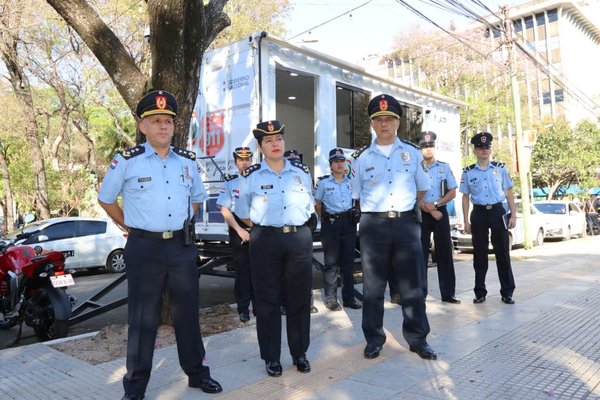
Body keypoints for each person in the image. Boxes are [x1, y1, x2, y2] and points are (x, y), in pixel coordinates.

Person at [98, 90, 222, 399]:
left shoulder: (187, 162)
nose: (163, 127)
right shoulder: (127, 161)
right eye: (156, 121)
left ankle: (197, 374)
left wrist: (175, 226)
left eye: (168, 121)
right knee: (143, 319)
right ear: (143, 127)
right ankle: (136, 388)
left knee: (188, 314)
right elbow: (106, 199)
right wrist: (133, 225)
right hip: (144, 248)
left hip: (180, 247)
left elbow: (195, 201)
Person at [351, 94, 436, 361]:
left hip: (404, 223)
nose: (384, 124)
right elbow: (357, 193)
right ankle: (374, 339)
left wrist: (404, 208)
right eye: (379, 120)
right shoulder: (361, 158)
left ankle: (418, 339)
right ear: (372, 125)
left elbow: (422, 188)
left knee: (413, 285)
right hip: (373, 224)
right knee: (373, 288)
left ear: (397, 122)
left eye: (389, 119)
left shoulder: (411, 152)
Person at [236, 120, 315, 377]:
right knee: (267, 301)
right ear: (261, 147)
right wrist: (263, 226)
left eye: (278, 139)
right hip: (265, 240)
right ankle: (271, 357)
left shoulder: (301, 172)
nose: (275, 144)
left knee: (299, 299)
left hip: (298, 239)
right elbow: (243, 212)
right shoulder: (252, 176)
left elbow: (310, 206)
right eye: (268, 141)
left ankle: (299, 352)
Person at [459, 132, 516, 305]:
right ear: (475, 151)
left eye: (487, 147)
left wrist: (513, 214)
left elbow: (509, 192)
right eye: (481, 148)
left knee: (503, 254)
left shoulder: (500, 168)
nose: (484, 150)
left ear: (490, 149)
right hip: (479, 214)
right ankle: (479, 292)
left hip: (498, 212)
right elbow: (465, 197)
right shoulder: (468, 172)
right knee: (480, 254)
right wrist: (466, 220)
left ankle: (507, 292)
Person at [315, 148, 362, 311]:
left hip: (348, 224)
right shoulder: (323, 183)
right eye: (336, 162)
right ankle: (331, 299)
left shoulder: (352, 182)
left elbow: (357, 201)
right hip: (331, 225)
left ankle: (349, 298)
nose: (339, 164)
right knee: (332, 264)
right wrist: (327, 218)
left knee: (348, 263)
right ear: (330, 165)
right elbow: (318, 205)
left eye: (341, 161)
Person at [416, 131, 460, 304]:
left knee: (444, 253)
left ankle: (448, 293)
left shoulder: (444, 167)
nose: (428, 149)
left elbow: (453, 191)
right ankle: (420, 294)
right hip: (420, 213)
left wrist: (434, 205)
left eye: (430, 146)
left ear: (434, 147)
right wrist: (426, 207)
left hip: (440, 212)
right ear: (420, 148)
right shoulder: (414, 168)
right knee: (419, 255)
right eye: (424, 146)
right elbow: (411, 192)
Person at [217, 146, 255, 322]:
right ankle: (243, 308)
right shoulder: (231, 182)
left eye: (247, 159)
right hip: (238, 229)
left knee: (263, 270)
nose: (245, 162)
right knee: (243, 272)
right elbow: (225, 209)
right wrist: (239, 230)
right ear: (236, 162)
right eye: (241, 160)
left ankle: (261, 306)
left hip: (260, 228)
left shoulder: (260, 179)